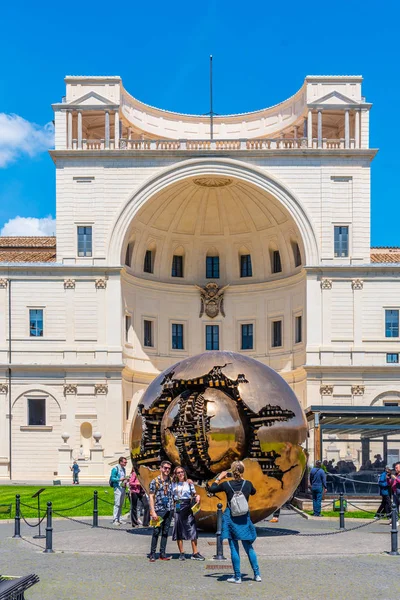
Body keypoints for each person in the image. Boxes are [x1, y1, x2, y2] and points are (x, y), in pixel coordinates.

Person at [209, 461, 261, 584]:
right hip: (244, 518)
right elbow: (253, 492)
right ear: (243, 471)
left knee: (234, 547)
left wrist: (219, 478)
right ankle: (257, 574)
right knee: (249, 547)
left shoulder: (227, 484)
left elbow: (212, 488)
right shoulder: (248, 484)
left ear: (232, 471)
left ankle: (237, 577)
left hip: (231, 518)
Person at [171, 466, 204, 561]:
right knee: (179, 529)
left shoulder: (189, 483)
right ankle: (181, 552)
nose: (181, 474)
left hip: (188, 505)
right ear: (175, 474)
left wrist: (198, 496)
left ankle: (195, 552)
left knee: (192, 528)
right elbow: (171, 496)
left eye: (182, 472)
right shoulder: (173, 484)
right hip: (178, 505)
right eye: (178, 472)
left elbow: (194, 494)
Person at [148, 460, 173, 562]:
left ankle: (162, 553)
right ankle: (152, 553)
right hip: (159, 510)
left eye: (169, 468)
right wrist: (152, 511)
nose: (167, 470)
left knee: (166, 532)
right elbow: (151, 496)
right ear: (161, 468)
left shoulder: (171, 480)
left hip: (169, 509)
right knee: (156, 531)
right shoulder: (155, 481)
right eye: (165, 468)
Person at [110, 456, 128, 525]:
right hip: (117, 488)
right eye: (124, 462)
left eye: (126, 462)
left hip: (123, 487)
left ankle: (119, 518)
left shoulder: (123, 469)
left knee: (121, 503)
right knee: (117, 504)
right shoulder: (115, 469)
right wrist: (120, 479)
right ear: (120, 462)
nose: (125, 463)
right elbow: (112, 478)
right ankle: (115, 519)